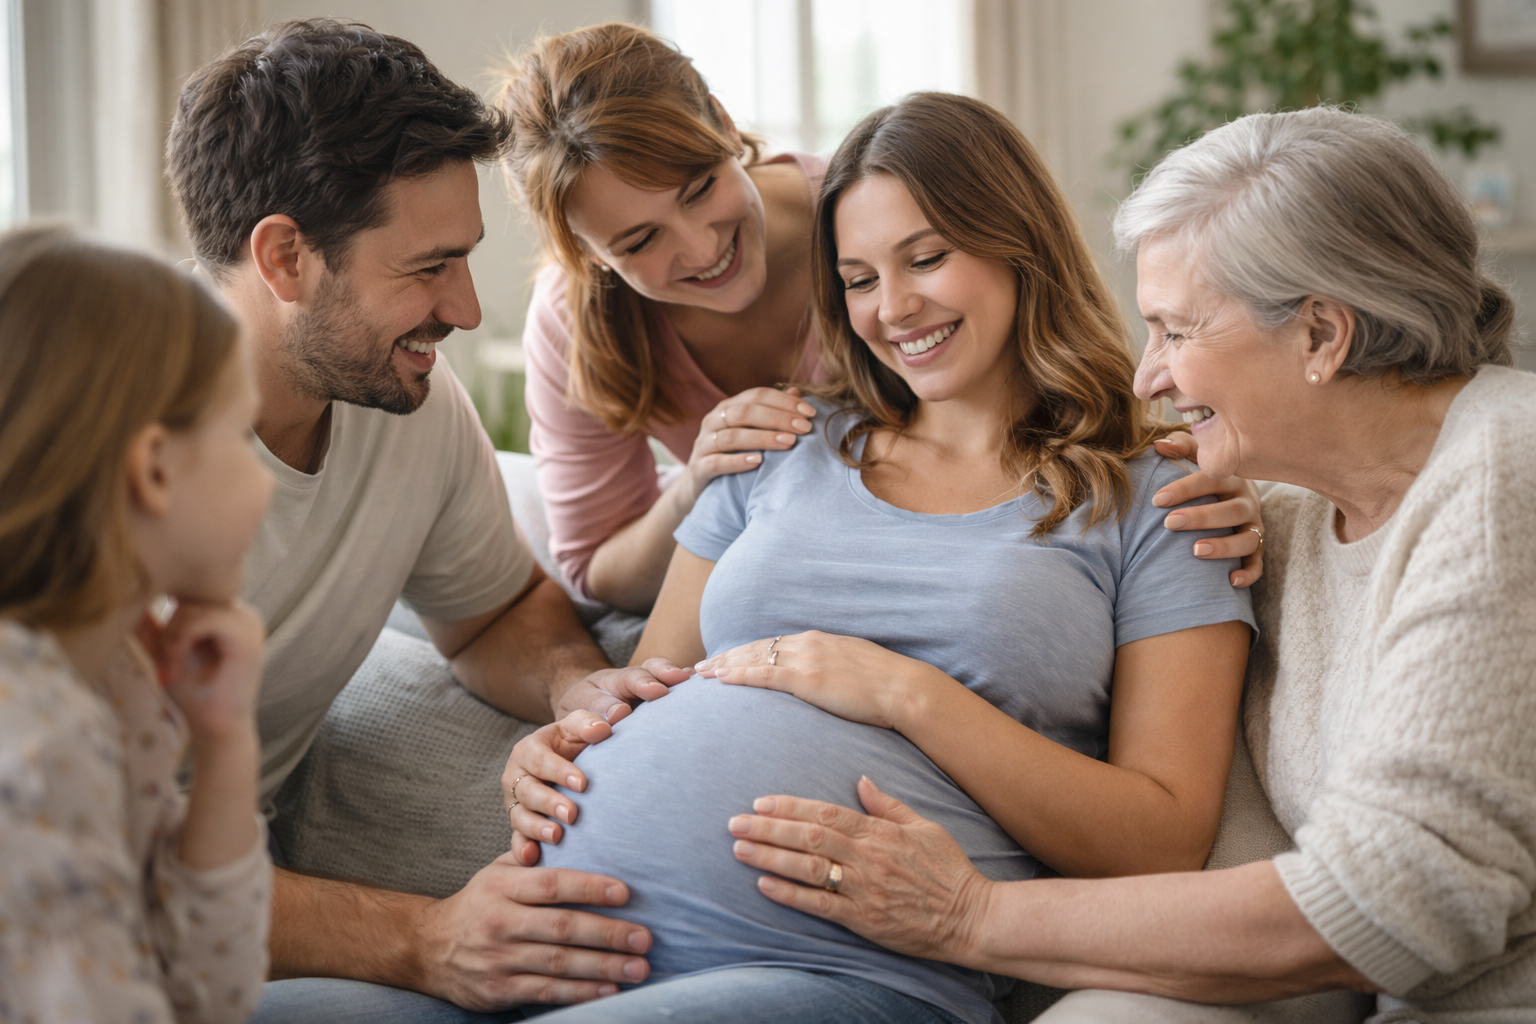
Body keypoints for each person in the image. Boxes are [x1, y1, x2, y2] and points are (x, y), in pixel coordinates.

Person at [729, 106, 1536, 1024]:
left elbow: (1392, 905)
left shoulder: (1503, 477)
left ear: (1322, 336)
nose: (1146, 377)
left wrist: (968, 915)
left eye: (1175, 332)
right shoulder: (1284, 515)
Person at [497, 93, 1256, 1024]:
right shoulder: (780, 438)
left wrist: (906, 692)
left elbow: (1162, 839)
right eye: (858, 279)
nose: (894, 309)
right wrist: (560, 748)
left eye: (926, 258)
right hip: (532, 936)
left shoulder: (1155, 496)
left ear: (1019, 243)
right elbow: (648, 684)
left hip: (832, 973)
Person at [164, 19, 685, 1014]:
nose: (467, 309)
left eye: (467, 259)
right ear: (284, 258)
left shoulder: (407, 404)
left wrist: (582, 690)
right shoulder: (88, 464)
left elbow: (494, 612)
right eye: (426, 267)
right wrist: (424, 939)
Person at [496, 23, 1265, 614]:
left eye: (699, 188)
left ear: (726, 125)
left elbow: (1058, 373)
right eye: (638, 241)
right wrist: (698, 481)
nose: (701, 248)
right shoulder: (577, 323)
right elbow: (598, 573)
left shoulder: (872, 209)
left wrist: (1196, 477)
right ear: (587, 254)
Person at [0, 227, 272, 1022]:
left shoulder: (116, 677)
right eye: (239, 435)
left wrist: (224, 747)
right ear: (154, 468)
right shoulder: (36, 740)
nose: (264, 484)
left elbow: (203, 997)